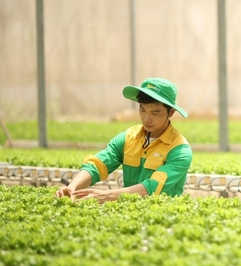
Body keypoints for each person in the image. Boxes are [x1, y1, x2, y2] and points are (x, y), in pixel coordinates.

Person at [55, 77, 193, 203]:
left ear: (171, 113)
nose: (146, 118)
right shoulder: (128, 137)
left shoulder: (180, 149)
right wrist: (72, 186)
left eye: (155, 113)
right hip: (129, 212)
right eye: (142, 109)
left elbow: (152, 187)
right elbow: (98, 164)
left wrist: (105, 195)